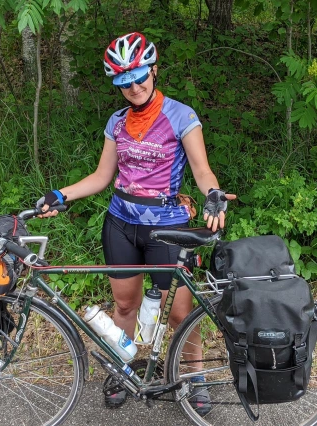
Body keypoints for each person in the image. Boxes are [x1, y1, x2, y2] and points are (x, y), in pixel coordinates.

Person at [37, 31, 236, 415]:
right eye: (124, 82)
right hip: (121, 223)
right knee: (124, 305)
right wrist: (61, 194)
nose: (134, 86)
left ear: (154, 69)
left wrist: (213, 194)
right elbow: (101, 176)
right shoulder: (116, 121)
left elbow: (202, 170)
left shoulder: (181, 116)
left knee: (179, 312)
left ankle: (192, 377)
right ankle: (121, 369)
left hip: (167, 227)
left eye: (140, 76)